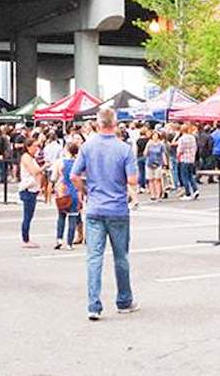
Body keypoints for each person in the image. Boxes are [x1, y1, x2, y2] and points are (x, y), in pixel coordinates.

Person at [71, 107, 139, 320]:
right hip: (117, 208)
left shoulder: (87, 147)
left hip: (95, 208)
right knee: (121, 257)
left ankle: (93, 305)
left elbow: (74, 175)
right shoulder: (124, 149)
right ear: (115, 124)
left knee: (94, 258)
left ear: (98, 123)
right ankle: (124, 300)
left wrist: (85, 189)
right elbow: (133, 180)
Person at [55, 142, 82, 250]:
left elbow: (56, 177)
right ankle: (69, 243)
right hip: (74, 192)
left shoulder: (60, 162)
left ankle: (59, 239)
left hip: (63, 190)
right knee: (73, 217)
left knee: (61, 217)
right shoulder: (78, 163)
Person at [18, 137, 44, 248]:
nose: (36, 148)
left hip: (33, 188)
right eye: (34, 146)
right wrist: (44, 166)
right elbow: (34, 171)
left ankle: (26, 238)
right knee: (27, 215)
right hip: (27, 188)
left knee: (30, 214)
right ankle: (25, 239)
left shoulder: (31, 157)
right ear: (28, 147)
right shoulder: (26, 157)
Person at [176, 124, 198, 200]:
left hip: (184, 159)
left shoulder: (182, 139)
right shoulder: (192, 138)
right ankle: (195, 190)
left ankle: (187, 193)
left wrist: (178, 155)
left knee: (184, 176)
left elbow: (179, 150)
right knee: (190, 175)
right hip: (191, 159)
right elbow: (195, 148)